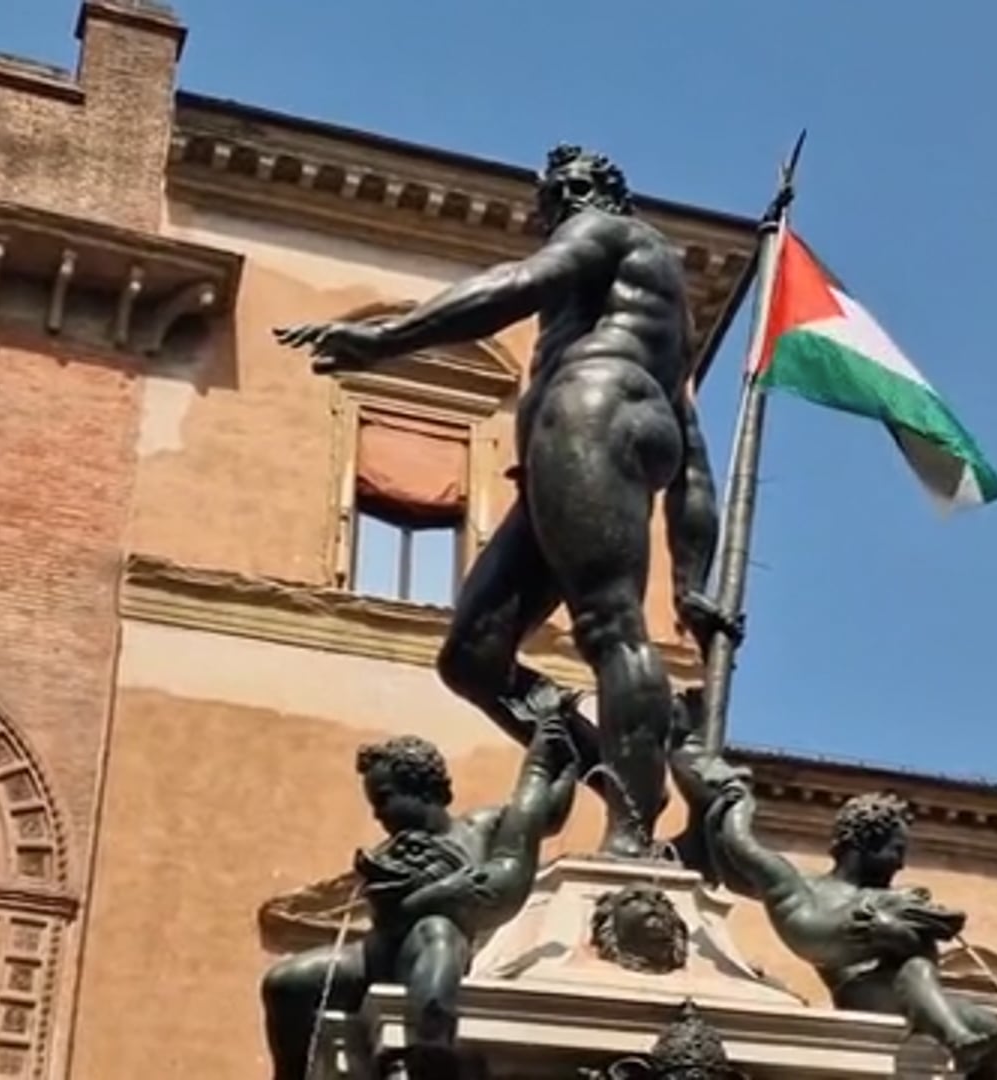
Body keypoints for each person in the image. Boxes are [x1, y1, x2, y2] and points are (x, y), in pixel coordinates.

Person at [275, 143, 738, 860]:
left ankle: (634, 834)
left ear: (587, 193)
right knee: (472, 656)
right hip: (598, 437)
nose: (548, 210)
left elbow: (519, 283)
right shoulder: (650, 310)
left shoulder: (608, 231)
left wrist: (386, 338)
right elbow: (691, 451)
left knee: (610, 626)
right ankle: (608, 760)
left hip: (586, 417)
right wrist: (690, 582)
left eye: (555, 196)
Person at [260, 719, 577, 1080]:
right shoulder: (389, 856)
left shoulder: (480, 828)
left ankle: (428, 1053)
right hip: (377, 956)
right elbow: (394, 917)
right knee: (284, 982)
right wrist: (443, 892)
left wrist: (564, 763)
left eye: (384, 798)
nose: (377, 813)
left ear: (421, 789)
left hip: (435, 948)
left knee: (437, 934)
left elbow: (543, 815)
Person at [673, 750, 997, 1079]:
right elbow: (740, 861)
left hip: (913, 994)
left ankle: (963, 1046)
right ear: (866, 842)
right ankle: (956, 1038)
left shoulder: (892, 898)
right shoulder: (809, 889)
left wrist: (902, 935)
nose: (901, 862)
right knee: (915, 969)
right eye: (896, 850)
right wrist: (731, 804)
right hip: (860, 992)